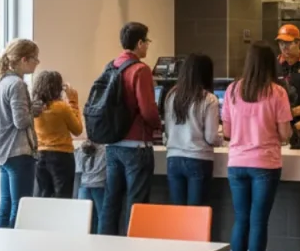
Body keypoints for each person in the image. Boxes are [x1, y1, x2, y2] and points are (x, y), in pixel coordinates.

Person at [223, 42, 293, 251]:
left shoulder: (232, 90)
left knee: (241, 219)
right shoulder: (277, 92)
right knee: (258, 221)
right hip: (265, 163)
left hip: (236, 163)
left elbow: (227, 131)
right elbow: (285, 134)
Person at [101, 22, 162, 236]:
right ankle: (133, 248)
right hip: (137, 145)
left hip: (112, 144)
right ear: (139, 43)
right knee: (137, 203)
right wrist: (158, 125)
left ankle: (105, 246)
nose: (147, 46)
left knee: (111, 200)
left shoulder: (111, 66)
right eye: (147, 42)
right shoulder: (141, 70)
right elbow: (148, 110)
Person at [0, 39, 41, 229]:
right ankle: (15, 244)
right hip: (18, 150)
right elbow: (21, 121)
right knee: (20, 207)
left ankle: (1, 242)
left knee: (5, 204)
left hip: (2, 151)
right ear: (24, 59)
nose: (37, 63)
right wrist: (35, 110)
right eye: (35, 58)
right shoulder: (18, 84)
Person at [165, 53, 222, 206]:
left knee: (178, 213)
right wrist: (221, 139)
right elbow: (211, 137)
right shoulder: (209, 99)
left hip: (173, 158)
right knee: (196, 214)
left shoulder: (172, 96)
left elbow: (168, 132)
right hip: (198, 158)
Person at [32, 70, 83, 199]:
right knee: (63, 197)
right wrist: (73, 102)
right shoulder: (61, 107)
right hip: (62, 156)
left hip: (40, 154)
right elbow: (77, 130)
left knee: (44, 196)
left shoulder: (34, 108)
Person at [75, 140, 106, 234]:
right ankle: (100, 238)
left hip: (84, 186)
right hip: (100, 185)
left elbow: (78, 171)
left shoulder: (80, 150)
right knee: (102, 216)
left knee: (85, 217)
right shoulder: (105, 150)